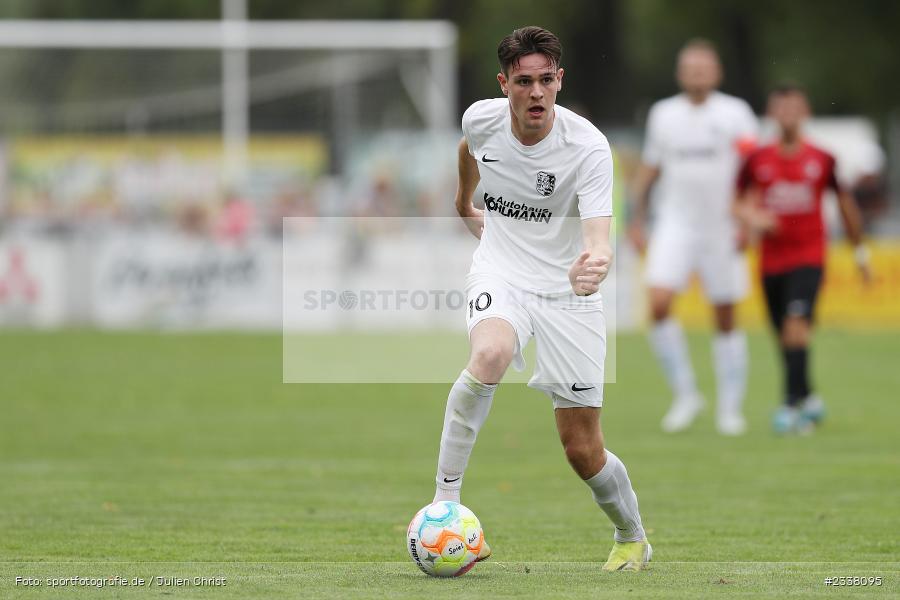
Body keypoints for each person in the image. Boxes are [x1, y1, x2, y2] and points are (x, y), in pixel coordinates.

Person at [431, 26, 650, 572]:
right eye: (523, 81)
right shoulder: (481, 119)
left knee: (582, 449)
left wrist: (596, 260)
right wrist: (464, 200)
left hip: (566, 292)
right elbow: (469, 147)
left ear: (559, 81)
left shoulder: (588, 147)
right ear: (504, 84)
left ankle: (632, 536)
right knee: (489, 356)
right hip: (501, 271)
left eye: (545, 80)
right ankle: (444, 503)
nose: (535, 92)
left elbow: (599, 231)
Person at [628, 39, 758, 435]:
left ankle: (730, 409)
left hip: (722, 225)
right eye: (690, 67)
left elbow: (753, 170)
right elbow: (650, 169)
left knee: (725, 314)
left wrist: (748, 221)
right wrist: (636, 219)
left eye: (704, 67)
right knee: (659, 302)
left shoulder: (735, 113)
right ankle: (686, 395)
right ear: (680, 73)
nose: (698, 73)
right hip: (675, 222)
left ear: (716, 72)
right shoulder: (663, 114)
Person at [734, 83, 871, 434]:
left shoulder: (822, 158)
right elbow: (737, 202)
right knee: (785, 336)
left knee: (797, 328)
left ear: (805, 112)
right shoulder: (757, 159)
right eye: (781, 109)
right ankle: (808, 395)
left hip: (809, 256)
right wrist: (753, 219)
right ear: (772, 114)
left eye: (794, 109)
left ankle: (790, 407)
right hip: (770, 261)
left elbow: (845, 204)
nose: (787, 115)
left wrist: (860, 251)